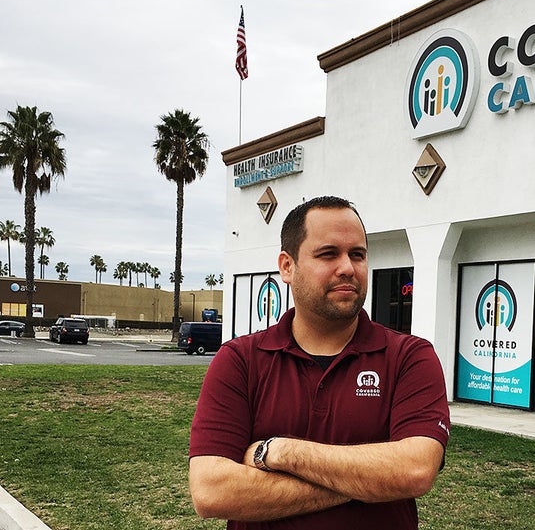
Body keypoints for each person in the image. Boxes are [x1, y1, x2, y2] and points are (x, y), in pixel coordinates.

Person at [188, 196, 450, 530]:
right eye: (328, 254)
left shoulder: (409, 357)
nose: (347, 268)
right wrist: (369, 481)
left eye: (358, 254)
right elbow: (212, 492)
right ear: (287, 266)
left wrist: (280, 452)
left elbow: (414, 471)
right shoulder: (240, 361)